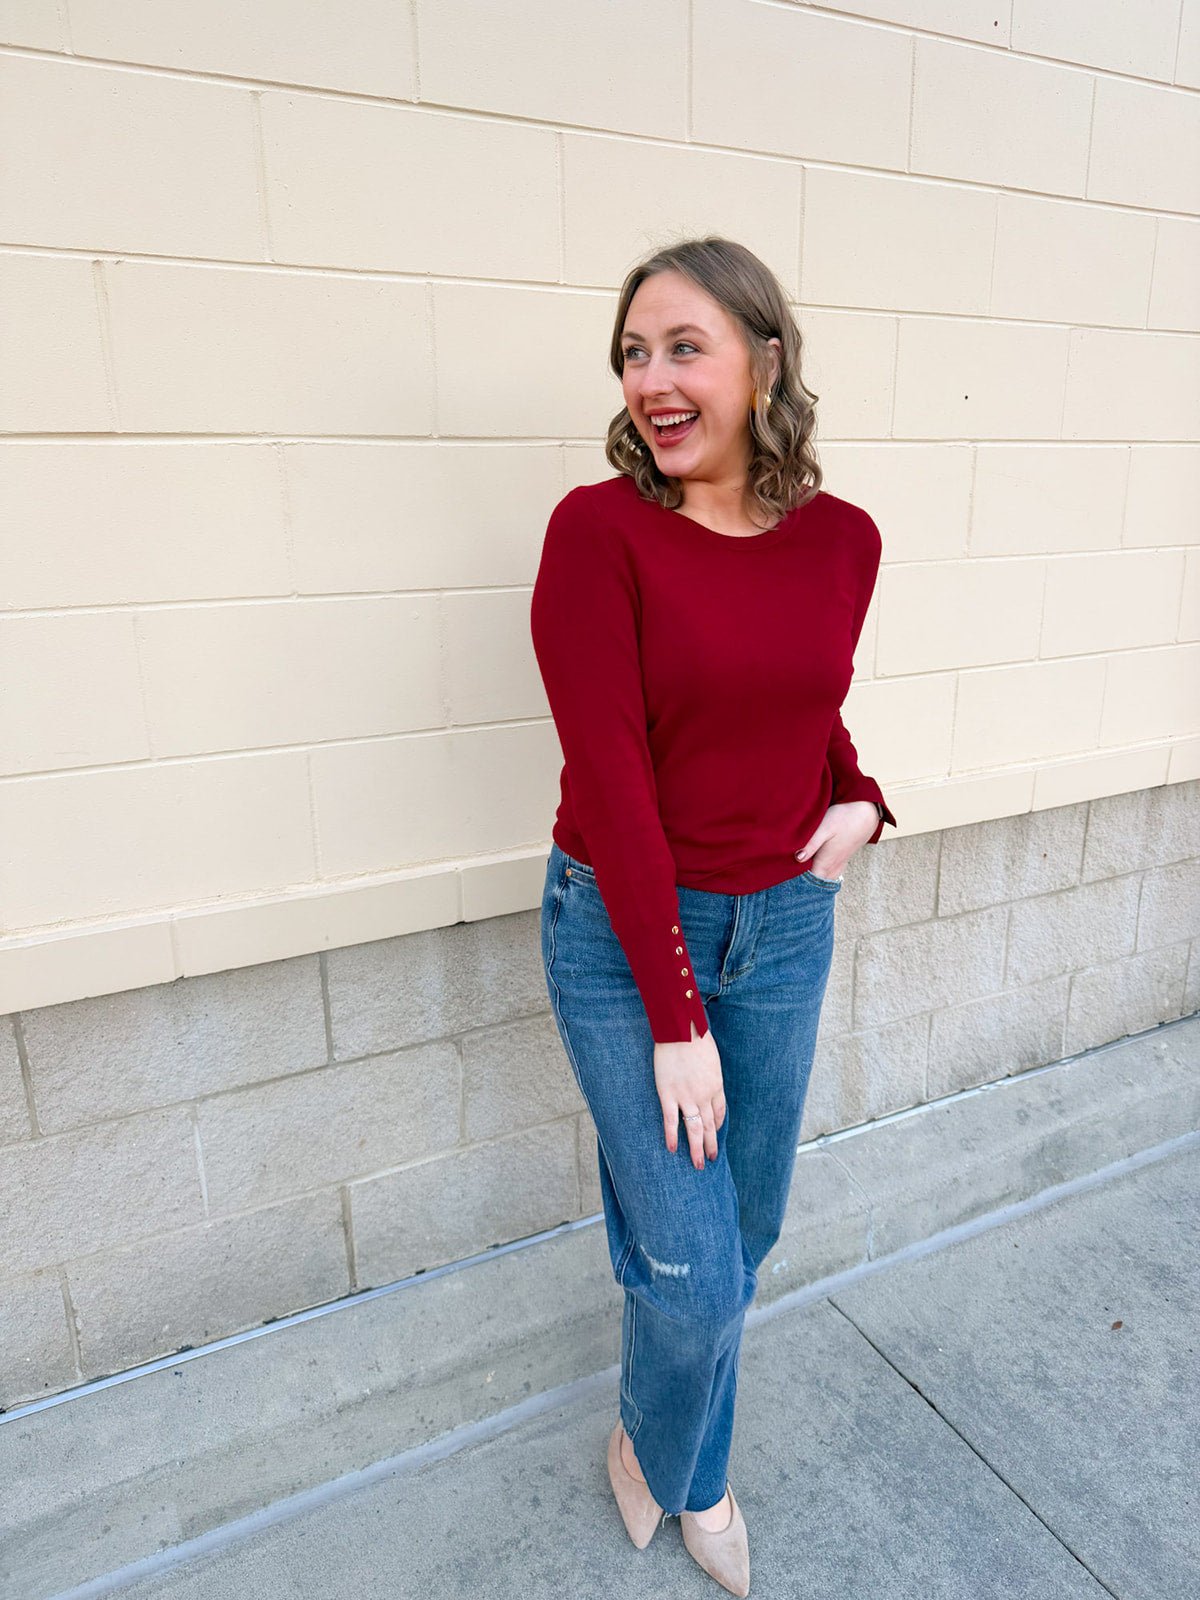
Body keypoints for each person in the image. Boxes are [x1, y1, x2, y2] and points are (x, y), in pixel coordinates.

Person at [529, 236, 896, 1595]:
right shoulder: (599, 532)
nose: (652, 378)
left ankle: (673, 1445)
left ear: (765, 360)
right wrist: (676, 1013)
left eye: (685, 346)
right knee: (690, 1269)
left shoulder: (843, 541)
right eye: (634, 352)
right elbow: (613, 774)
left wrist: (862, 797)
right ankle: (685, 1465)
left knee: (745, 1237)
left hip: (785, 924)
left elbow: (800, 706)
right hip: (629, 933)